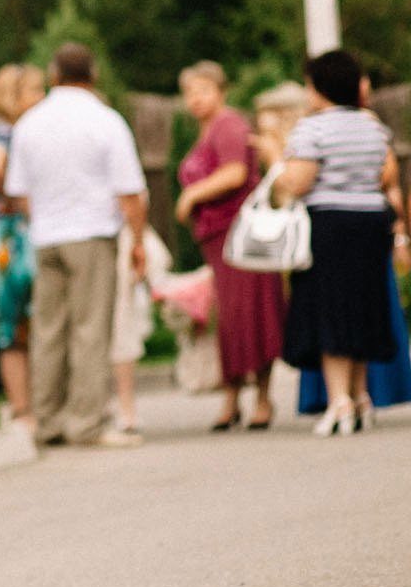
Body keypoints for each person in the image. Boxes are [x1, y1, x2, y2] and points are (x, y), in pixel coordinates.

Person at [4, 43, 149, 449]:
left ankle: (47, 420)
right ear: (94, 74)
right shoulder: (105, 121)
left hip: (46, 236)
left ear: (53, 74)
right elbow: (130, 191)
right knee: (89, 329)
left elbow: (20, 190)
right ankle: (86, 423)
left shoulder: (30, 123)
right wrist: (137, 241)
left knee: (48, 330)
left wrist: (44, 221)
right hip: (91, 233)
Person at [275, 50, 405, 435]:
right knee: (363, 304)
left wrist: (276, 165)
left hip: (330, 224)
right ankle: (361, 395)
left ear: (320, 86)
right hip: (371, 221)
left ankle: (339, 401)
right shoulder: (373, 128)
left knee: (331, 308)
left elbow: (298, 183)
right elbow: (384, 177)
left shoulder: (311, 130)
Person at [173, 61, 283, 430]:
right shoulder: (206, 131)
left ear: (221, 91)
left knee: (253, 313)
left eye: (203, 90)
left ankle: (263, 398)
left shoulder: (229, 124)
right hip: (217, 239)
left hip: (241, 236)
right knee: (229, 319)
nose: (195, 99)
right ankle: (232, 396)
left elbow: (235, 172)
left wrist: (191, 195)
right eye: (189, 92)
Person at [0, 63, 46, 425]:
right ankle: (24, 409)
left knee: (23, 323)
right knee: (19, 320)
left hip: (13, 234)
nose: (41, 98)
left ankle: (28, 408)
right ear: (13, 97)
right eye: (34, 91)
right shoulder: (7, 133)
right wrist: (21, 199)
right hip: (16, 238)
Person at [108, 226, 172, 434]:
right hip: (82, 237)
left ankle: (126, 407)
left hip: (114, 236)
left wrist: (137, 242)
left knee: (121, 322)